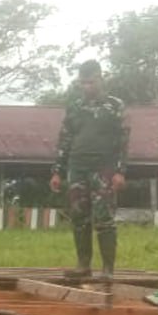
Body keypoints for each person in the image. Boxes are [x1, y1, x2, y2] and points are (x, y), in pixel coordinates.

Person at [49, 60, 130, 281]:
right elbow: (64, 140)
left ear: (101, 79)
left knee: (104, 218)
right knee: (79, 217)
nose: (87, 86)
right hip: (77, 168)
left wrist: (120, 171)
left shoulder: (115, 106)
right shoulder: (74, 107)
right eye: (83, 83)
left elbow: (123, 141)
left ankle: (107, 269)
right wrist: (57, 172)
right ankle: (83, 265)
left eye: (91, 82)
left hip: (104, 169)